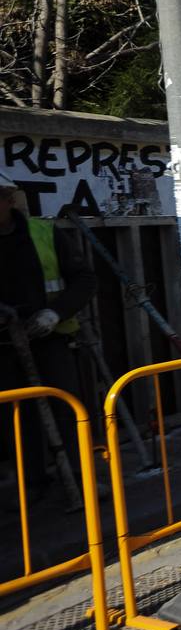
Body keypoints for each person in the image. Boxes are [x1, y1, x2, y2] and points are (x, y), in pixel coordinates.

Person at [0, 171, 97, 495]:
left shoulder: (44, 233)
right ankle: (30, 486)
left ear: (9, 200)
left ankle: (81, 479)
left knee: (68, 409)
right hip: (3, 346)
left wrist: (54, 313)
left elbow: (84, 280)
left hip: (49, 337)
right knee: (15, 419)